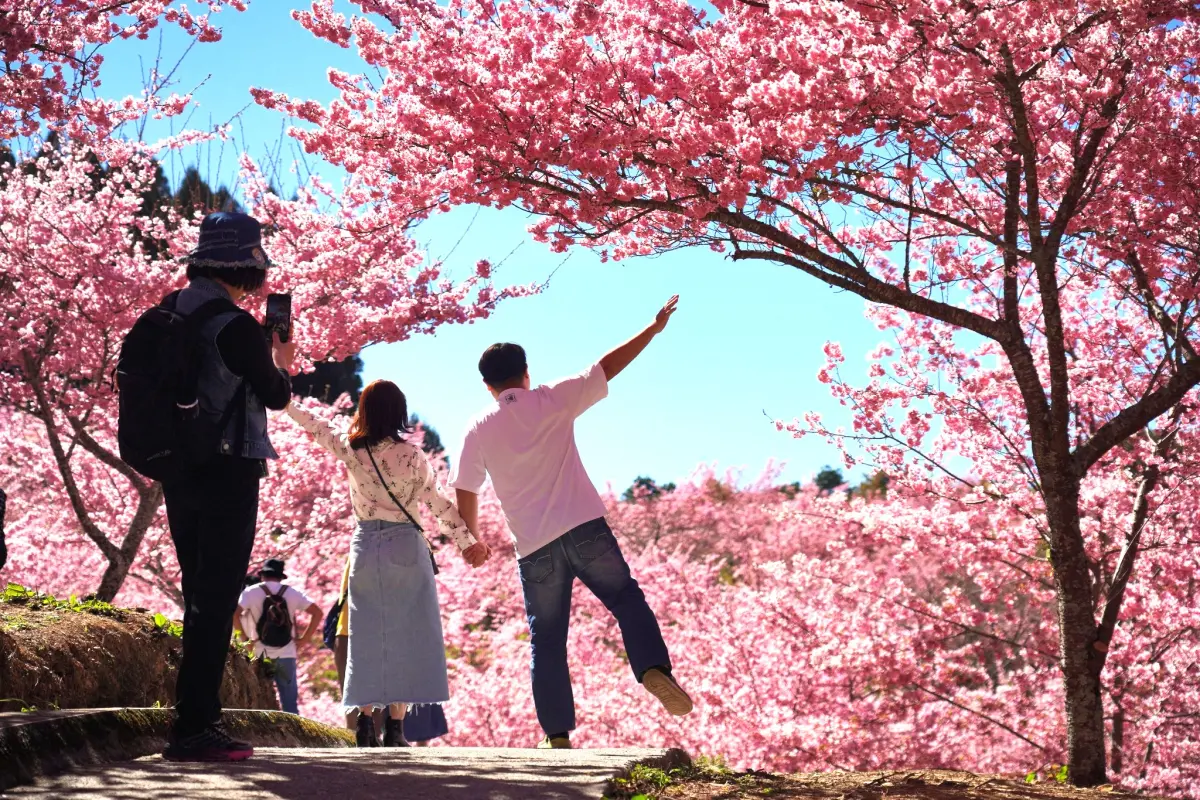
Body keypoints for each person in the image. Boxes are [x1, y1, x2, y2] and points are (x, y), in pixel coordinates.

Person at [450, 296, 692, 749]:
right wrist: (652, 328)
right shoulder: (552, 398)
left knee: (547, 639)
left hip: (535, 548)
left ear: (488, 386)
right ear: (526, 372)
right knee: (625, 598)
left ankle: (557, 734)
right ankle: (653, 668)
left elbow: (465, 488)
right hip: (584, 528)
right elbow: (604, 367)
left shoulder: (478, 427)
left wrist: (472, 540)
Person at [286, 380, 489, 747]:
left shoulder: (352, 449)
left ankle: (365, 723)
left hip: (367, 548)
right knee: (408, 635)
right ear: (399, 412)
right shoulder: (412, 456)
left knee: (367, 636)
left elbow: (316, 425)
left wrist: (283, 400)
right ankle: (396, 728)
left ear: (363, 410)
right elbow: (438, 503)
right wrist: (467, 543)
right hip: (407, 549)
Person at [160, 212, 295, 762]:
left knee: (199, 590)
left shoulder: (167, 313)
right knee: (215, 598)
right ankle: (195, 726)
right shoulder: (235, 325)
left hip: (178, 467)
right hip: (228, 468)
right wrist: (279, 359)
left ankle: (193, 718)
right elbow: (276, 395)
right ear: (247, 268)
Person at [332, 560, 450, 746]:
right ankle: (392, 733)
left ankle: (363, 735)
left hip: (349, 628)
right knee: (395, 682)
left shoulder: (360, 547)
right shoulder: (409, 542)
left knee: (358, 690)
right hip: (390, 624)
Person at [235, 558, 324, 715]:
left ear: (263, 575)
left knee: (258, 698)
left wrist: (245, 640)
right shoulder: (291, 592)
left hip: (258, 652)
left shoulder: (251, 592)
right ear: (280, 576)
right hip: (286, 652)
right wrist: (304, 639)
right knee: (289, 702)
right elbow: (317, 613)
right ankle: (294, 736)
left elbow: (234, 614)